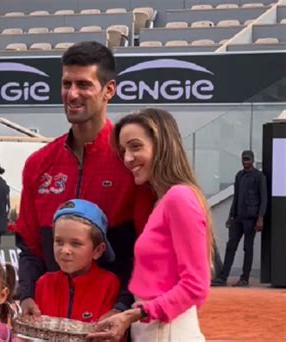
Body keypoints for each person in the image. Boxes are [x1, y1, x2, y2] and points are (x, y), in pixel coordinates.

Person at [15, 41, 155, 319]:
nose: (72, 94)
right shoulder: (38, 164)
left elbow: (146, 248)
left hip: (113, 324)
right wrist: (27, 293)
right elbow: (29, 245)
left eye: (84, 84)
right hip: (51, 322)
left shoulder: (132, 163)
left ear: (109, 90)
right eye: (66, 84)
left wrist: (120, 307)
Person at [88, 108, 212, 341]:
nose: (127, 158)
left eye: (136, 146)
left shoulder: (179, 198)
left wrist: (138, 313)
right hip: (154, 327)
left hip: (166, 330)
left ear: (162, 145)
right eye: (124, 150)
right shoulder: (164, 201)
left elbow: (196, 286)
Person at [34, 199, 120, 322]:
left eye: (76, 244)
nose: (65, 250)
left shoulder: (109, 284)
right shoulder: (43, 284)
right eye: (59, 241)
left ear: (98, 251)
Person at [211, 150, 267, 287]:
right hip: (238, 218)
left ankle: (244, 278)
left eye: (248, 159)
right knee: (231, 246)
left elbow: (264, 199)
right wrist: (231, 216)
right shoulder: (239, 176)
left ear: (253, 160)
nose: (245, 162)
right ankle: (223, 277)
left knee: (248, 248)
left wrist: (260, 218)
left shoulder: (259, 177)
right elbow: (236, 198)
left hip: (251, 219)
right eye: (243, 159)